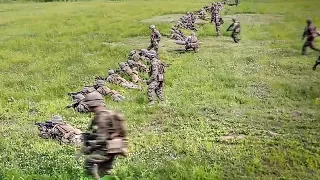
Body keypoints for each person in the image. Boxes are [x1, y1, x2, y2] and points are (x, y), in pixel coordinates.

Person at [81, 92, 128, 180]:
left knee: (89, 163)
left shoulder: (101, 116)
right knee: (105, 170)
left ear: (92, 104)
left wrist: (89, 148)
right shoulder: (107, 113)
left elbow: (101, 138)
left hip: (105, 148)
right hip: (113, 147)